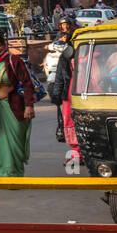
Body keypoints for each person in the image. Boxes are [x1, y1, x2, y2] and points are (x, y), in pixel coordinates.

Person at [0, 31, 36, 177]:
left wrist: (29, 106)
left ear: (4, 45)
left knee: (14, 144)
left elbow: (27, 83)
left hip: (12, 107)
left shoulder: (14, 61)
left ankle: (13, 175)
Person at [46, 16, 77, 149]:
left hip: (76, 82)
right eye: (63, 24)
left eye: (67, 24)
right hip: (62, 83)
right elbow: (51, 46)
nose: (65, 27)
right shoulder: (59, 43)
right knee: (64, 116)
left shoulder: (76, 38)